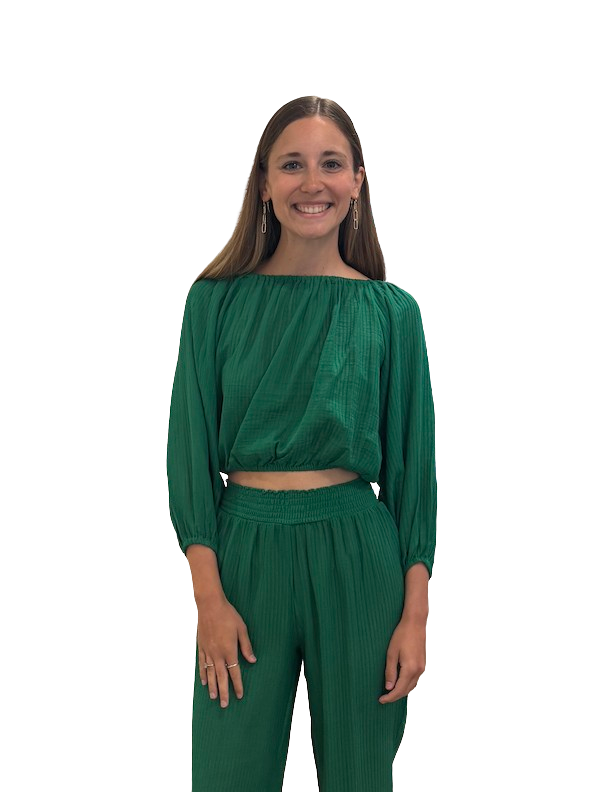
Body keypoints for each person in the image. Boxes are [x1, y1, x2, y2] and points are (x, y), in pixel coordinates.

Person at [166, 95, 437, 792]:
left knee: (358, 777)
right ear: (263, 182)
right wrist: (207, 599)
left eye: (331, 164)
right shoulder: (213, 301)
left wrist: (415, 618)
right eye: (291, 165)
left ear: (358, 182)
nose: (312, 183)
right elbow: (188, 453)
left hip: (359, 550)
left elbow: (414, 473)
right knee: (227, 774)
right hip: (243, 550)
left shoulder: (393, 312)